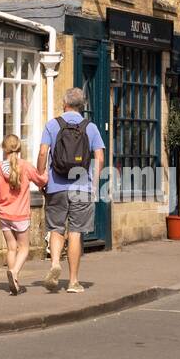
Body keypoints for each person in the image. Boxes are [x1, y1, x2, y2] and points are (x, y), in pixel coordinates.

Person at [36, 87, 105, 293]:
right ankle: (73, 281)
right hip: (82, 187)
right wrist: (94, 185)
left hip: (56, 186)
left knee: (56, 228)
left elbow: (42, 153)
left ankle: (55, 262)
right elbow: (99, 158)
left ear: (64, 104)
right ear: (82, 106)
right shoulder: (90, 127)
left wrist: (41, 179)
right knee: (75, 233)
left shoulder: (52, 124)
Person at [0, 133, 48, 295]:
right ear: (19, 148)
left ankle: (14, 280)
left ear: (4, 149)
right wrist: (46, 172)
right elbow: (41, 180)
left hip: (4, 215)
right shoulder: (25, 166)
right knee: (24, 248)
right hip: (20, 216)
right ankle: (14, 273)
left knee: (11, 248)